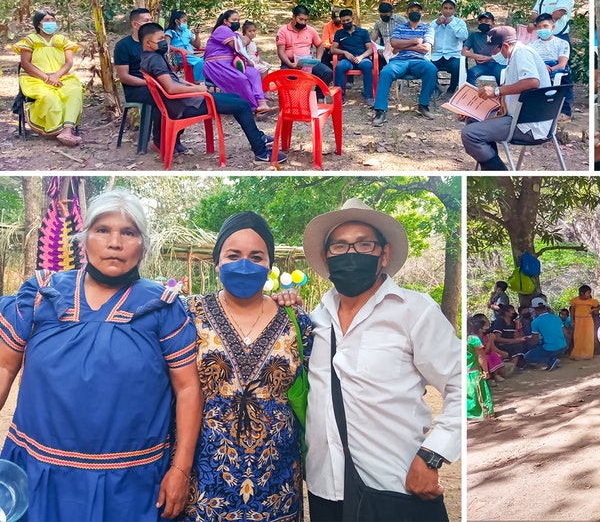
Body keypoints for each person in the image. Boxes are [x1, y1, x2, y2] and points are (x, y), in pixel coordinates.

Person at [0, 189, 201, 521]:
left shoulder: (163, 307)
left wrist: (181, 468)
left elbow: (187, 389)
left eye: (128, 232)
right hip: (39, 476)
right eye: (103, 230)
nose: (115, 242)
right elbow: (5, 369)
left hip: (129, 486)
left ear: (143, 245)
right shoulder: (42, 293)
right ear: (84, 238)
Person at [302, 198, 461, 522]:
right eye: (340, 247)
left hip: (395, 490)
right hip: (323, 491)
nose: (351, 254)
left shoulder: (414, 312)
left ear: (383, 254)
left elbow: (462, 382)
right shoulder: (313, 321)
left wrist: (432, 455)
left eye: (364, 244)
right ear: (325, 257)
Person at [181, 211, 311, 521]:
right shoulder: (188, 315)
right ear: (218, 263)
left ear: (269, 265)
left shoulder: (297, 322)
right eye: (233, 255)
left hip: (276, 487)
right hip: (203, 485)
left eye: (256, 256)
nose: (244, 264)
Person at [138, 23, 281, 162]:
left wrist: (188, 84)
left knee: (236, 98)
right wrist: (197, 89)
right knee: (242, 105)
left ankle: (258, 137)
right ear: (148, 43)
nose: (164, 42)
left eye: (164, 38)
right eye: (160, 40)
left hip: (184, 101)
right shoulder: (155, 60)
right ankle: (261, 152)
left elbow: (171, 81)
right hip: (186, 104)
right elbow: (171, 88)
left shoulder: (149, 57)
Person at [458, 26, 552, 171]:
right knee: (472, 119)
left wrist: (496, 90)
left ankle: (499, 172)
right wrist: (472, 108)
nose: (493, 54)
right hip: (520, 116)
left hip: (527, 124)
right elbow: (511, 94)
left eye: (495, 50)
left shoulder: (522, 53)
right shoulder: (516, 54)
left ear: (506, 46)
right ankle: (489, 167)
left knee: (470, 134)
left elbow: (532, 82)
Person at [14, 11, 83, 146]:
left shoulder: (62, 40)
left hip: (62, 77)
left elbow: (68, 63)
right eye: (46, 20)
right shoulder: (29, 40)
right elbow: (25, 64)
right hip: (34, 79)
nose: (51, 22)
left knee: (74, 91)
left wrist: (56, 76)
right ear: (39, 24)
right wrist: (47, 78)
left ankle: (67, 131)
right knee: (50, 97)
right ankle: (55, 129)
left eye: (52, 19)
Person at [114, 7, 178, 153]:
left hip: (158, 83)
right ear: (135, 25)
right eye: (146, 20)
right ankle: (159, 141)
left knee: (178, 95)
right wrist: (151, 83)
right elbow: (124, 76)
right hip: (136, 88)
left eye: (151, 19)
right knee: (163, 96)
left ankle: (175, 137)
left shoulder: (155, 43)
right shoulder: (123, 46)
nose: (150, 22)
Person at [374, 1, 439, 123]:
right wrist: (415, 41)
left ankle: (423, 105)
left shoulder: (428, 28)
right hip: (399, 60)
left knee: (432, 70)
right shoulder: (399, 27)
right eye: (412, 10)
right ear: (407, 13)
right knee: (385, 72)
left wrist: (403, 46)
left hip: (419, 60)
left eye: (417, 10)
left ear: (422, 13)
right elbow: (394, 44)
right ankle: (380, 111)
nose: (415, 12)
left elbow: (425, 48)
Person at [204, 10, 268, 112]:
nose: (237, 22)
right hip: (217, 64)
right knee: (241, 79)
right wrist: (244, 40)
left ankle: (262, 103)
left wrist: (248, 59)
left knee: (253, 73)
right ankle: (253, 107)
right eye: (234, 20)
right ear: (225, 21)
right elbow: (237, 46)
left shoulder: (233, 34)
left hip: (230, 63)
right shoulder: (222, 29)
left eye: (238, 20)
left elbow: (242, 46)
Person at [276, 5, 334, 85]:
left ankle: (318, 96)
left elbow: (320, 45)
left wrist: (318, 59)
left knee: (327, 73)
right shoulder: (283, 31)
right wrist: (290, 64)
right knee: (285, 78)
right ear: (293, 17)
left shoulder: (310, 30)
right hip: (290, 62)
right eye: (301, 19)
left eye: (305, 20)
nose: (303, 23)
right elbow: (281, 52)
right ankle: (291, 97)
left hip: (308, 62)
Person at [331, 8, 377, 103]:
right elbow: (333, 49)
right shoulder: (339, 33)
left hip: (362, 58)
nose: (346, 22)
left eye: (348, 20)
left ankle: (368, 96)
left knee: (368, 66)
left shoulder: (363, 32)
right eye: (343, 21)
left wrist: (361, 57)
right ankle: (339, 97)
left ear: (352, 19)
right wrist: (344, 52)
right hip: (347, 59)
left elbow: (370, 49)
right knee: (339, 67)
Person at [431, 0, 468, 96]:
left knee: (457, 66)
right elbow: (427, 34)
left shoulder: (459, 22)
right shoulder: (435, 22)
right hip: (437, 54)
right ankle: (436, 88)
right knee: (428, 66)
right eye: (445, 8)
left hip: (454, 54)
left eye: (450, 8)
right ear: (441, 9)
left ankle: (451, 89)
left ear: (454, 10)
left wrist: (451, 24)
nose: (447, 11)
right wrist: (436, 24)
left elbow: (464, 36)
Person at [529, 13, 572, 88]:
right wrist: (542, 67)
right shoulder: (530, 46)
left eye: (545, 26)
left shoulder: (562, 43)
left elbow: (562, 65)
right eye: (539, 27)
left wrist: (549, 70)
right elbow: (529, 62)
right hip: (535, 72)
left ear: (553, 27)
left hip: (554, 72)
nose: (542, 29)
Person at [524, 298, 567, 370]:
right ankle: (555, 359)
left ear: (534, 309)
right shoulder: (556, 317)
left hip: (552, 349)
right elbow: (565, 333)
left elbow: (535, 341)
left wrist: (527, 339)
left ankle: (550, 361)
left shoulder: (535, 322)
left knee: (527, 357)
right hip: (563, 347)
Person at [165, 9, 207, 83]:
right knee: (200, 62)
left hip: (192, 55)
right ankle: (196, 81)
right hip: (180, 56)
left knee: (208, 59)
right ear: (177, 21)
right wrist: (181, 50)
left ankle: (206, 80)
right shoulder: (170, 32)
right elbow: (166, 46)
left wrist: (197, 34)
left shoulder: (187, 32)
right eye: (184, 21)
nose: (186, 23)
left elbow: (197, 46)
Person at [466, 315, 494, 420]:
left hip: (464, 373)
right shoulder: (474, 340)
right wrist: (486, 371)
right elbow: (481, 356)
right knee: (480, 393)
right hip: (474, 373)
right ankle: (485, 414)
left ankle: (469, 414)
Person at [464, 11, 503, 85]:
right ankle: (472, 95)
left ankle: (500, 95)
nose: (483, 24)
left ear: (493, 24)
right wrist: (478, 56)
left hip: (497, 64)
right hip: (482, 66)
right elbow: (464, 51)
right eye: (481, 22)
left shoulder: (498, 35)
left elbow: (505, 53)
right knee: (472, 73)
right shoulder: (474, 36)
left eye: (486, 21)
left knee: (501, 74)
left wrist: (489, 58)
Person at [570, 285, 600, 360]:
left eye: (590, 293)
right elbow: (572, 311)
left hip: (588, 321)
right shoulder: (575, 300)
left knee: (588, 337)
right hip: (578, 321)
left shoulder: (591, 301)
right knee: (578, 337)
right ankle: (577, 354)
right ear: (582, 293)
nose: (589, 294)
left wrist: (592, 310)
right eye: (588, 293)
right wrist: (572, 320)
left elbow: (599, 307)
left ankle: (587, 354)